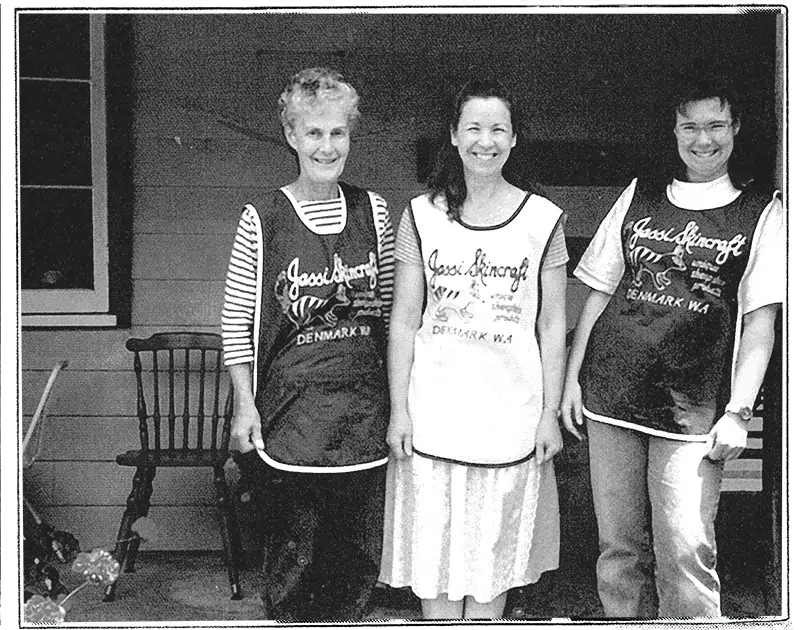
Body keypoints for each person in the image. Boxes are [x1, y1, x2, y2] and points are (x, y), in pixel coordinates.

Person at [560, 71, 785, 619]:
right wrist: (572, 379)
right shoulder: (639, 194)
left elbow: (760, 323)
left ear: (736, 129)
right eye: (690, 127)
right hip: (611, 396)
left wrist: (739, 412)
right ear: (674, 131)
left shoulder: (763, 211)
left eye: (715, 126)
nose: (703, 139)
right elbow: (598, 290)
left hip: (694, 409)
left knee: (685, 549)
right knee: (619, 551)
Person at [379, 79, 568, 620]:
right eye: (474, 128)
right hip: (435, 412)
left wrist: (547, 414)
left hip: (511, 416)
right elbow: (403, 319)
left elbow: (553, 323)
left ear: (513, 139)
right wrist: (399, 411)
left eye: (498, 129)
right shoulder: (421, 215)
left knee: (491, 568)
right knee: (435, 565)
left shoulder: (542, 220)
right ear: (455, 138)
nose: (486, 141)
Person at [220, 67, 395, 621]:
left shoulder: (375, 212)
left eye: (337, 132)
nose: (327, 145)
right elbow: (237, 321)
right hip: (290, 418)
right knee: (293, 561)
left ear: (351, 135)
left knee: (354, 564)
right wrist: (245, 406)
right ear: (292, 137)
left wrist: (400, 405)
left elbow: (392, 316)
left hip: (363, 414)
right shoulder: (264, 218)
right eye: (314, 133)